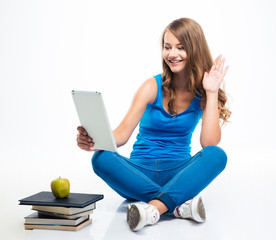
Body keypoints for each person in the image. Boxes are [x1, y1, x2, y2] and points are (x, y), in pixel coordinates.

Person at [76, 17, 231, 232]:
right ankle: (176, 206)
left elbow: (209, 143)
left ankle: (154, 208)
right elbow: (121, 134)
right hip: (138, 172)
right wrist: (96, 140)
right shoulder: (151, 86)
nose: (172, 54)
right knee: (101, 158)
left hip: (178, 172)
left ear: (194, 50)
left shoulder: (202, 92)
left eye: (180, 47)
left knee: (218, 155)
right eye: (167, 47)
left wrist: (212, 92)